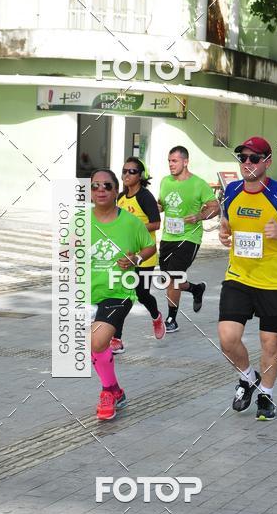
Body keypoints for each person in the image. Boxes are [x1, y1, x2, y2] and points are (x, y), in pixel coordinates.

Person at [217, 136, 277, 420]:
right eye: (242, 157)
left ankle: (266, 395)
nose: (247, 163)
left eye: (254, 158)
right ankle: (248, 377)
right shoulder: (232, 190)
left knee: (270, 343)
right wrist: (224, 231)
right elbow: (227, 219)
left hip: (274, 282)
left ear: (267, 162)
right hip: (239, 276)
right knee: (227, 339)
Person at [89, 170, 156, 420]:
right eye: (95, 186)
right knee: (95, 345)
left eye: (107, 185)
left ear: (116, 190)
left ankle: (107, 392)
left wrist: (136, 258)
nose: (101, 190)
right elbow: (67, 250)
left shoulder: (130, 222)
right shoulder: (79, 221)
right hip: (87, 292)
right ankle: (115, 390)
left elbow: (150, 247)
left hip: (119, 291)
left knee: (98, 341)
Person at [158, 146, 220, 333]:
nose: (171, 164)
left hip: (189, 237)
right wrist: (155, 207)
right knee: (169, 279)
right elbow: (161, 204)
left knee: (173, 277)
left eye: (174, 161)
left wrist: (199, 216)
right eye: (169, 161)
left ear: (185, 162)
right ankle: (195, 289)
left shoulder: (198, 184)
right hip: (168, 236)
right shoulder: (165, 181)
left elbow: (214, 207)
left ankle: (172, 319)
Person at [111, 157, 165, 352]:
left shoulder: (145, 197)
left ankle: (156, 316)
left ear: (140, 176)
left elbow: (156, 223)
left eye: (132, 171)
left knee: (142, 294)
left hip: (145, 255)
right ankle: (116, 339)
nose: (127, 175)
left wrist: (134, 228)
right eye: (124, 171)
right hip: (125, 255)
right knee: (121, 295)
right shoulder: (120, 197)